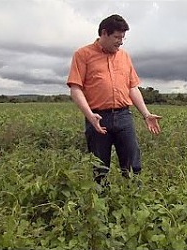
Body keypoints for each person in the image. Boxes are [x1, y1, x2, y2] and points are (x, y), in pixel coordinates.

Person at [66, 14, 161, 186]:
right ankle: (102, 203)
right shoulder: (83, 55)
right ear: (104, 33)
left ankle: (133, 197)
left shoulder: (124, 57)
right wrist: (89, 115)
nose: (121, 42)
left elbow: (132, 87)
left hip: (124, 116)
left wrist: (146, 114)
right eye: (117, 37)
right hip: (98, 118)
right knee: (99, 167)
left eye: (123, 37)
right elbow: (75, 88)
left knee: (133, 164)